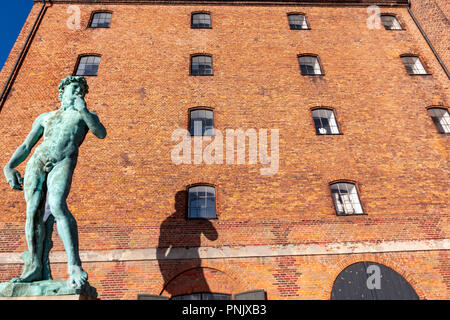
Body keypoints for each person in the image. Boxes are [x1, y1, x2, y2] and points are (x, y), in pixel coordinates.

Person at [3, 76, 106, 288]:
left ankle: (74, 265)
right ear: (63, 92)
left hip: (63, 161)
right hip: (37, 161)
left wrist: (84, 110)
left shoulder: (85, 115)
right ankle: (34, 268)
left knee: (58, 204)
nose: (78, 91)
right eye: (74, 87)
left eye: (81, 89)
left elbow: (100, 133)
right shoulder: (45, 117)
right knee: (33, 214)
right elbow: (26, 146)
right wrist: (8, 167)